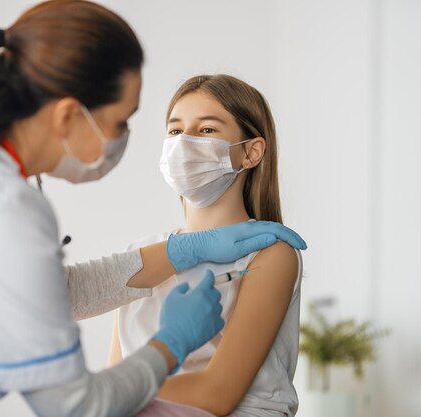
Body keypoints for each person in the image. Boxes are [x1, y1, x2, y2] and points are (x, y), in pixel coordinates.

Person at [0, 2, 306, 417]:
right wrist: (171, 343)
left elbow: (49, 292)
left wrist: (180, 252)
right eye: (120, 122)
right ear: (70, 114)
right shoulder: (2, 209)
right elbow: (78, 404)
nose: (122, 141)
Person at [109, 75, 302, 417]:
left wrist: (114, 391)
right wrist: (108, 393)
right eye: (175, 130)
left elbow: (218, 393)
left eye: (207, 130)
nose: (185, 142)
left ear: (251, 152)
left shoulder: (271, 254)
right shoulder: (139, 255)